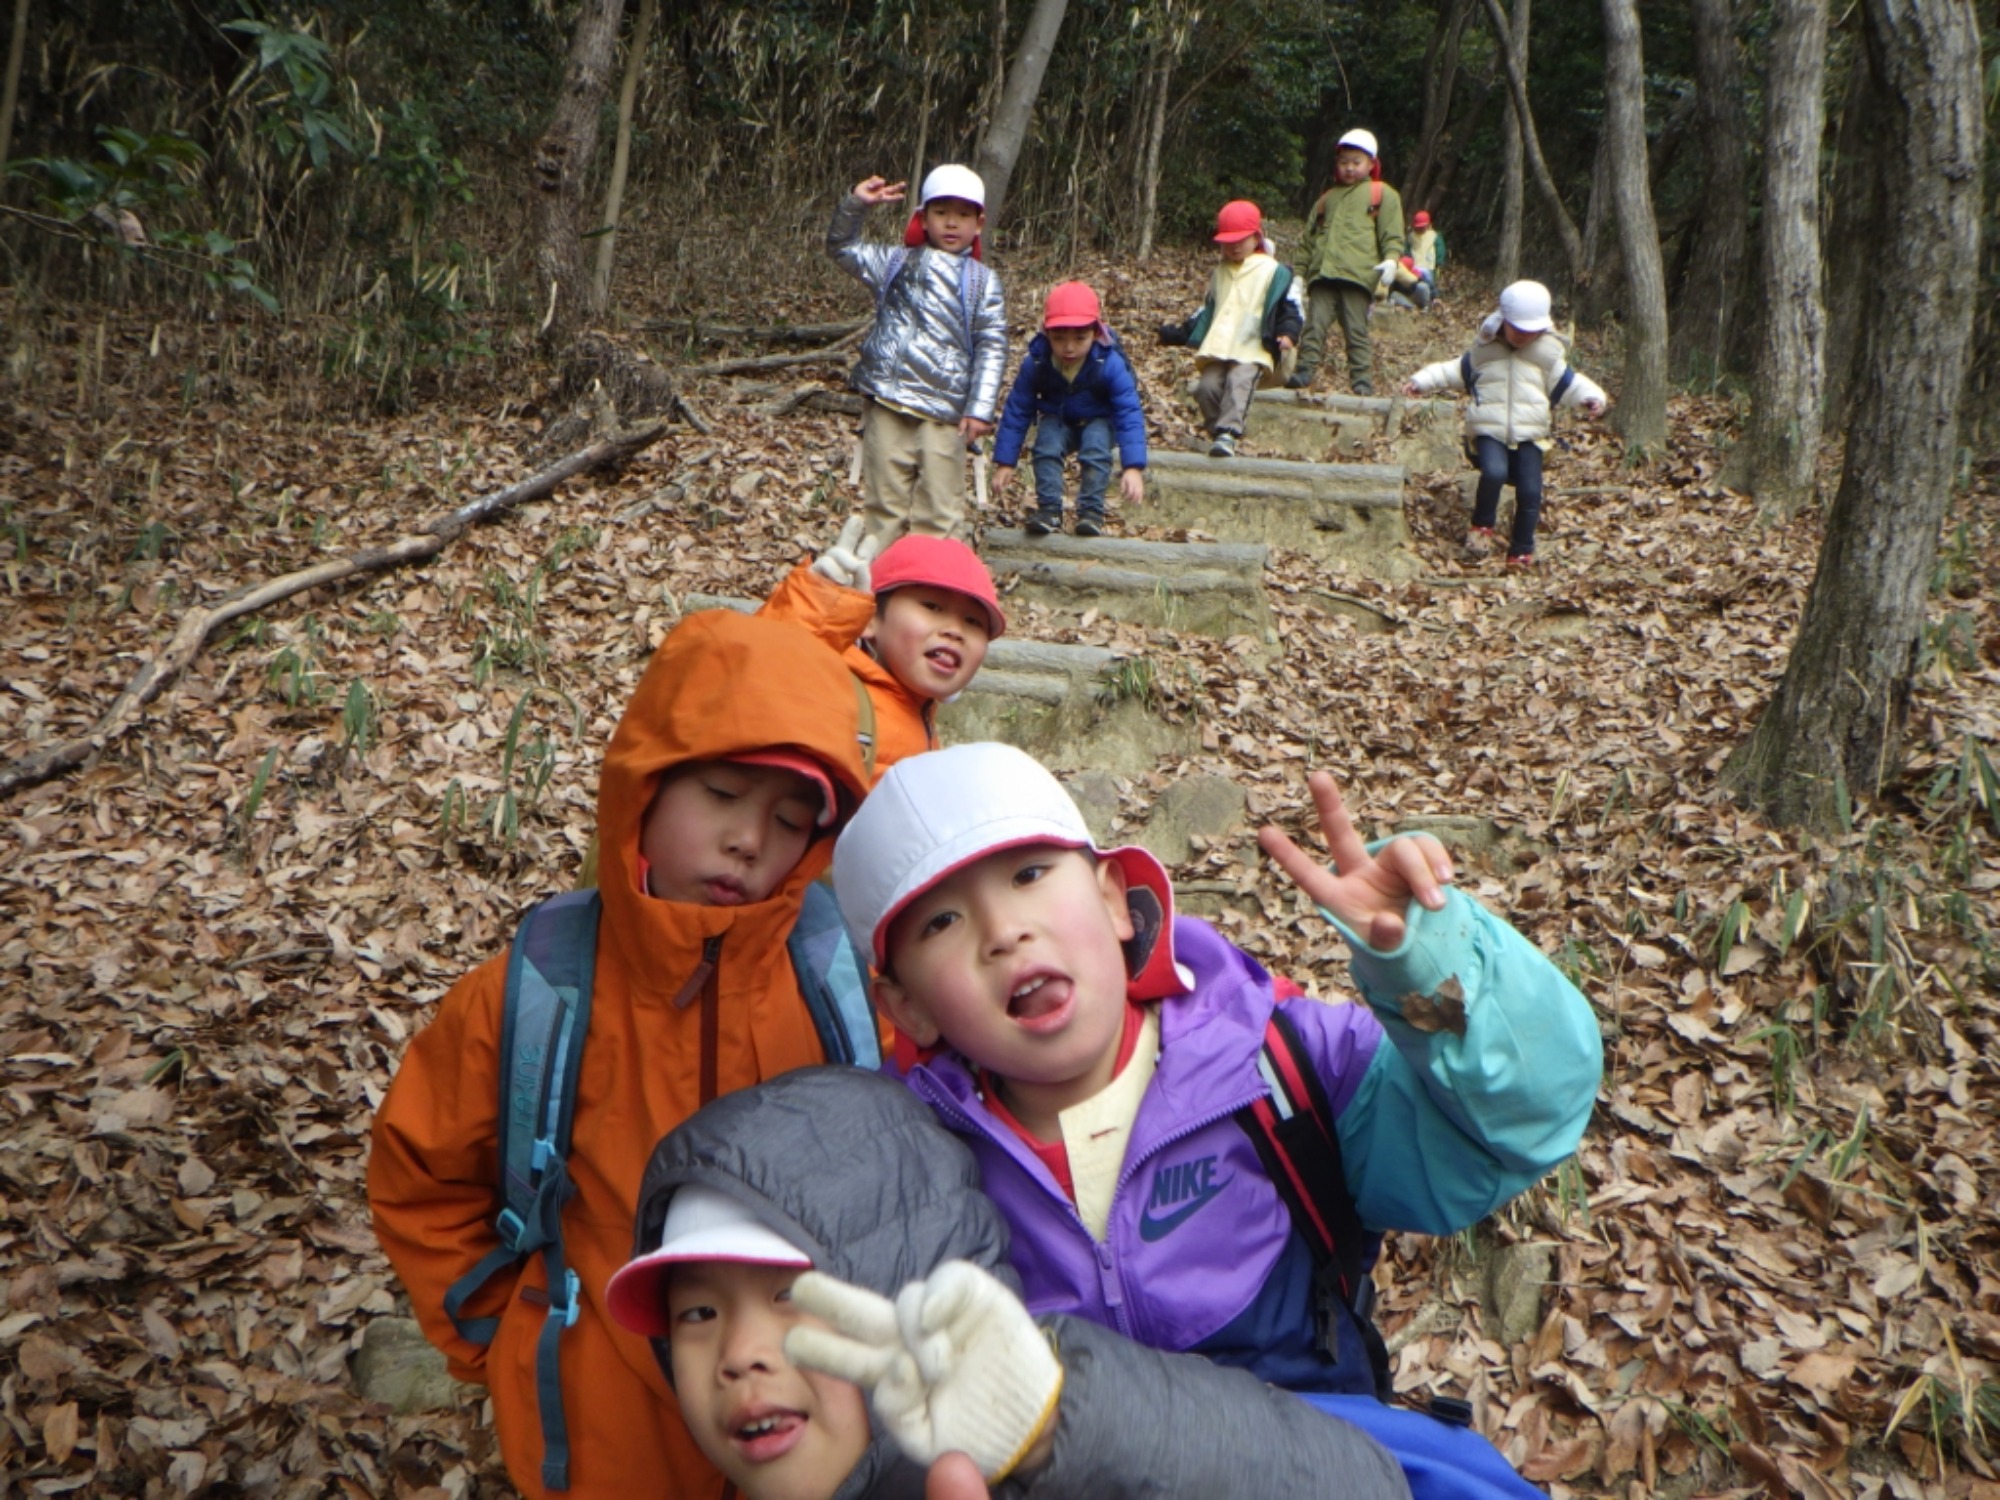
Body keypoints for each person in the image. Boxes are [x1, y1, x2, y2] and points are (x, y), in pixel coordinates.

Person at [831, 741, 1602, 1407]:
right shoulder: (905, 1170)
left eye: (1029, 875)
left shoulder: (1280, 1068)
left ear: (1115, 901)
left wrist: (1429, 964)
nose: (1004, 932)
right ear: (906, 1005)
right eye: (942, 922)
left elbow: (1529, 1119)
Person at [368, 610, 877, 1500]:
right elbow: (423, 1171)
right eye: (720, 796)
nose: (750, 841)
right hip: (597, 1413)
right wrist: (503, 1338)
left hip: (803, 1402)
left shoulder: (837, 984)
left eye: (791, 820)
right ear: (644, 787)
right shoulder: (537, 992)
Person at [609, 1066, 1420, 1500]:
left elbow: (1359, 1484)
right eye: (699, 1312)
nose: (740, 1354)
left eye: (792, 1294)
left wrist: (1053, 1424)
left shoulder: (1060, 1462)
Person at [828, 165, 1008, 553]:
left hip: (946, 416)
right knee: (883, 510)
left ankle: (933, 598)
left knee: (940, 515)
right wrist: (856, 204)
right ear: (923, 218)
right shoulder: (895, 262)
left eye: (962, 215)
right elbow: (841, 247)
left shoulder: (981, 280)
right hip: (888, 402)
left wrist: (979, 408)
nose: (951, 223)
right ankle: (878, 595)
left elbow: (992, 344)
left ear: (978, 223)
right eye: (941, 212)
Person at [1402, 279, 1608, 567]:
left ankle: (1521, 550)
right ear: (1503, 321)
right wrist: (1421, 381)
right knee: (1494, 472)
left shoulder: (1546, 356)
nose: (1524, 337)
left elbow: (1570, 384)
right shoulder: (1485, 350)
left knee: (1531, 491)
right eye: (1518, 330)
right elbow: (1453, 371)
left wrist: (1591, 398)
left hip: (1531, 433)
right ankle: (1481, 527)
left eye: (1531, 332)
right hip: (1488, 428)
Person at [766, 531, 1007, 777]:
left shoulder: (921, 719)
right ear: (870, 619)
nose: (955, 631)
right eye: (932, 607)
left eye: (973, 622)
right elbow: (764, 684)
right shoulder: (839, 697)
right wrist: (811, 610)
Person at [991, 281, 1148, 538]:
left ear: (1096, 333)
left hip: (1098, 417)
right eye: (1059, 338)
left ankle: (1090, 512)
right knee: (1046, 445)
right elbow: (1018, 408)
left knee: (1096, 447)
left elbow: (1128, 412)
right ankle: (1050, 508)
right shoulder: (1038, 362)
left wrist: (1133, 467)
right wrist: (1005, 461)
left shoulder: (1109, 363)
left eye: (1080, 338)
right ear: (1047, 334)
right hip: (1059, 415)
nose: (1069, 347)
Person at [1157, 200, 1304, 458]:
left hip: (1253, 345)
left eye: (1240, 240)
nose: (1234, 247)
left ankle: (1229, 433)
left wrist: (1288, 333)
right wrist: (1179, 333)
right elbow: (1208, 311)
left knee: (1239, 381)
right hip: (1220, 345)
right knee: (1207, 387)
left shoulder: (1274, 272)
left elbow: (1289, 306)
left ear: (1256, 237)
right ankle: (1218, 431)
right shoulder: (1221, 272)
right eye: (1227, 242)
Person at [1292, 128, 1407, 395]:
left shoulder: (1383, 194)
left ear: (1371, 164)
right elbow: (1309, 239)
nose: (1349, 168)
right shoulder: (1326, 198)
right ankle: (1303, 371)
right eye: (1344, 162)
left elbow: (1392, 234)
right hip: (1323, 274)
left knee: (1356, 330)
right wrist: (1299, 274)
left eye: (1356, 162)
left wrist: (1391, 260)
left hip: (1358, 276)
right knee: (1313, 326)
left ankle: (1361, 381)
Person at [1391, 209, 1446, 310]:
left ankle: (1433, 298)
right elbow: (1406, 249)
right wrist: (1408, 261)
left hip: (1428, 265)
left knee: (1427, 279)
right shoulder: (1411, 236)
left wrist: (1439, 261)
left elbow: (1440, 250)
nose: (1420, 230)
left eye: (1422, 227)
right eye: (1418, 227)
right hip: (1414, 265)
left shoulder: (1434, 235)